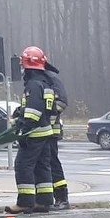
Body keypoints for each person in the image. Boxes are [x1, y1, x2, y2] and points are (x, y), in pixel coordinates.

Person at [5, 46, 55, 214]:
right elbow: (47, 108)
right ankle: (44, 201)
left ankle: (25, 202)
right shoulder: (45, 83)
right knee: (42, 167)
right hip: (46, 132)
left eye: (22, 65)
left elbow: (34, 110)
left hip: (34, 134)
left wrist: (23, 130)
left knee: (23, 166)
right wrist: (20, 111)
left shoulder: (33, 85)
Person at [45, 62, 70, 210]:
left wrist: (45, 114)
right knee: (43, 165)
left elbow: (61, 103)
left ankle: (62, 197)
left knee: (52, 163)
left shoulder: (51, 78)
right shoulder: (39, 80)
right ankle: (45, 199)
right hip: (41, 130)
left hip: (50, 131)